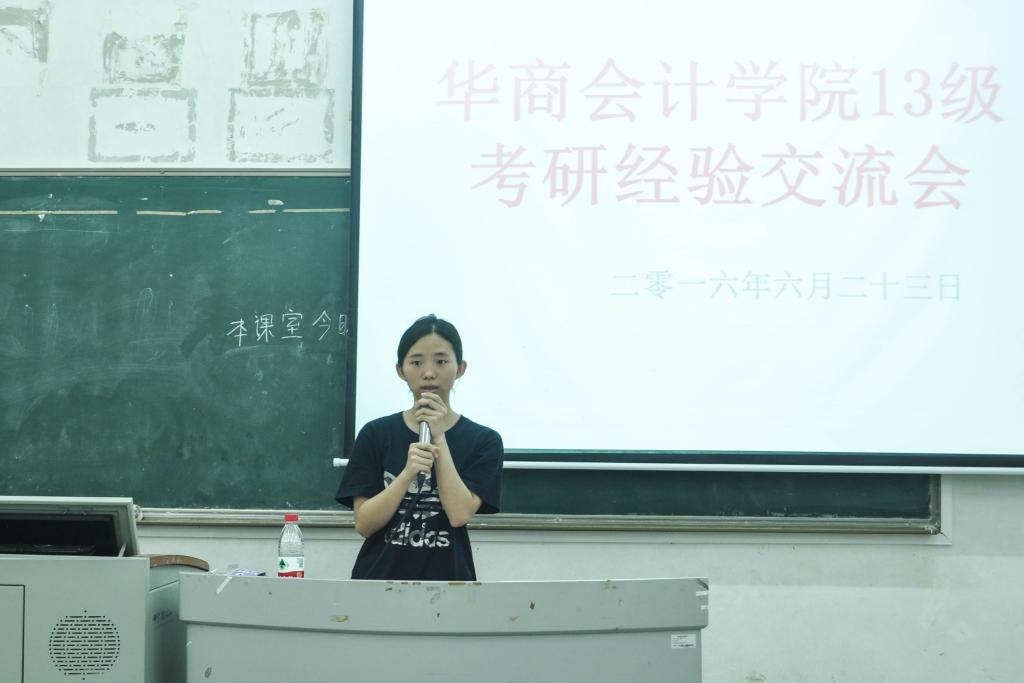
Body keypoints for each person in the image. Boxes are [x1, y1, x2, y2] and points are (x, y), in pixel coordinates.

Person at [336, 314, 503, 580]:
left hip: (449, 583)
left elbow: (459, 515)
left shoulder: (484, 440)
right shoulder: (375, 434)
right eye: (416, 362)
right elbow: (364, 524)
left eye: (441, 361)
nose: (428, 372)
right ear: (400, 370)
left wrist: (439, 438)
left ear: (460, 368)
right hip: (378, 581)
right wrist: (406, 475)